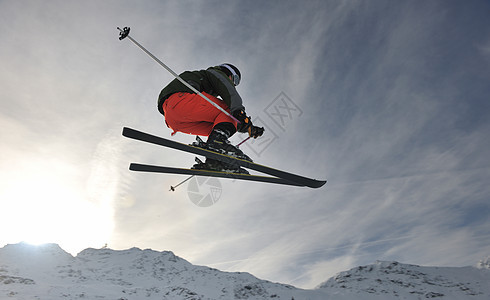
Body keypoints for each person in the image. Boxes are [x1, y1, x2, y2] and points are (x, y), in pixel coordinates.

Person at [157, 63, 264, 171]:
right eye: (235, 80)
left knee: (218, 126)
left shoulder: (205, 93)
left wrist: (249, 127)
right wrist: (239, 112)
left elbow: (230, 121)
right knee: (228, 110)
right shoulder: (216, 74)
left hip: (173, 119)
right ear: (229, 72)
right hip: (180, 100)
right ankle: (218, 143)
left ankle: (214, 161)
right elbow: (229, 92)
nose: (234, 84)